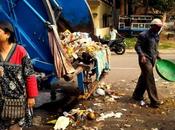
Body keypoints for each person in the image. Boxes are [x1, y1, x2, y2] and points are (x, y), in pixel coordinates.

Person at [0, 20, 38, 130]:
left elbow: (30, 74)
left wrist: (31, 97)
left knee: (15, 127)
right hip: (1, 99)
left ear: (7, 34)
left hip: (17, 100)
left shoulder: (20, 51)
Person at [132, 18, 163, 108]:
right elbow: (137, 46)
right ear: (152, 26)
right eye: (157, 27)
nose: (158, 28)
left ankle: (137, 95)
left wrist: (157, 54)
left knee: (144, 77)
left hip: (152, 59)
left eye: (160, 27)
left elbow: (154, 47)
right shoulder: (143, 34)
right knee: (150, 78)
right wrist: (142, 55)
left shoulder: (156, 35)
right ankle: (154, 101)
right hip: (144, 60)